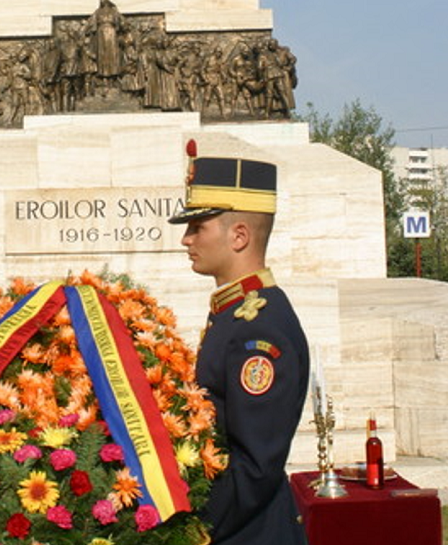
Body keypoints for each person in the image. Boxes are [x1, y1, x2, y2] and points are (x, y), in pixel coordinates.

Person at [169, 139, 309, 544]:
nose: (187, 239)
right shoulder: (236, 312)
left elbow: (254, 466)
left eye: (198, 227)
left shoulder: (257, 327)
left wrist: (190, 531)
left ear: (240, 236)